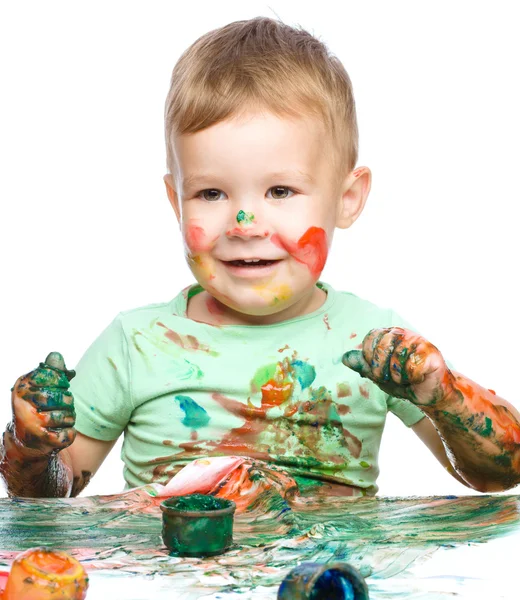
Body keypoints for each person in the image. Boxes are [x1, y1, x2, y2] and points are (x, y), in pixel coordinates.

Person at [2, 16, 519, 499]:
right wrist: (31, 445)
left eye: (280, 191)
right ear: (174, 201)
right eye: (210, 194)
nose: (244, 226)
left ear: (347, 199)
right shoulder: (136, 345)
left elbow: (500, 475)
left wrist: (443, 394)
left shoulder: (373, 341)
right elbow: (52, 495)